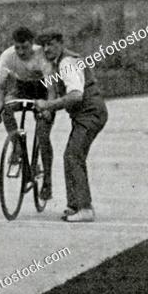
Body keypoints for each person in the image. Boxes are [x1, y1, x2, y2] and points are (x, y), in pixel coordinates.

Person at [34, 29, 108, 222]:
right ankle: (74, 205)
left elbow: (76, 95)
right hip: (86, 114)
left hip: (90, 113)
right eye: (44, 46)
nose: (47, 49)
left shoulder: (67, 62)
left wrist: (48, 105)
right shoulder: (59, 62)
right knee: (71, 155)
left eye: (51, 44)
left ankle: (85, 208)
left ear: (60, 43)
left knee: (73, 155)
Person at [0, 27, 57, 200]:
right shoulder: (7, 56)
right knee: (6, 109)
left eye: (25, 47)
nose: (21, 52)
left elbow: (51, 90)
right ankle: (19, 149)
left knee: (43, 135)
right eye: (17, 48)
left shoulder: (42, 56)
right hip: (22, 88)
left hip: (43, 90)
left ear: (32, 44)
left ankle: (48, 182)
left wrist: (48, 110)